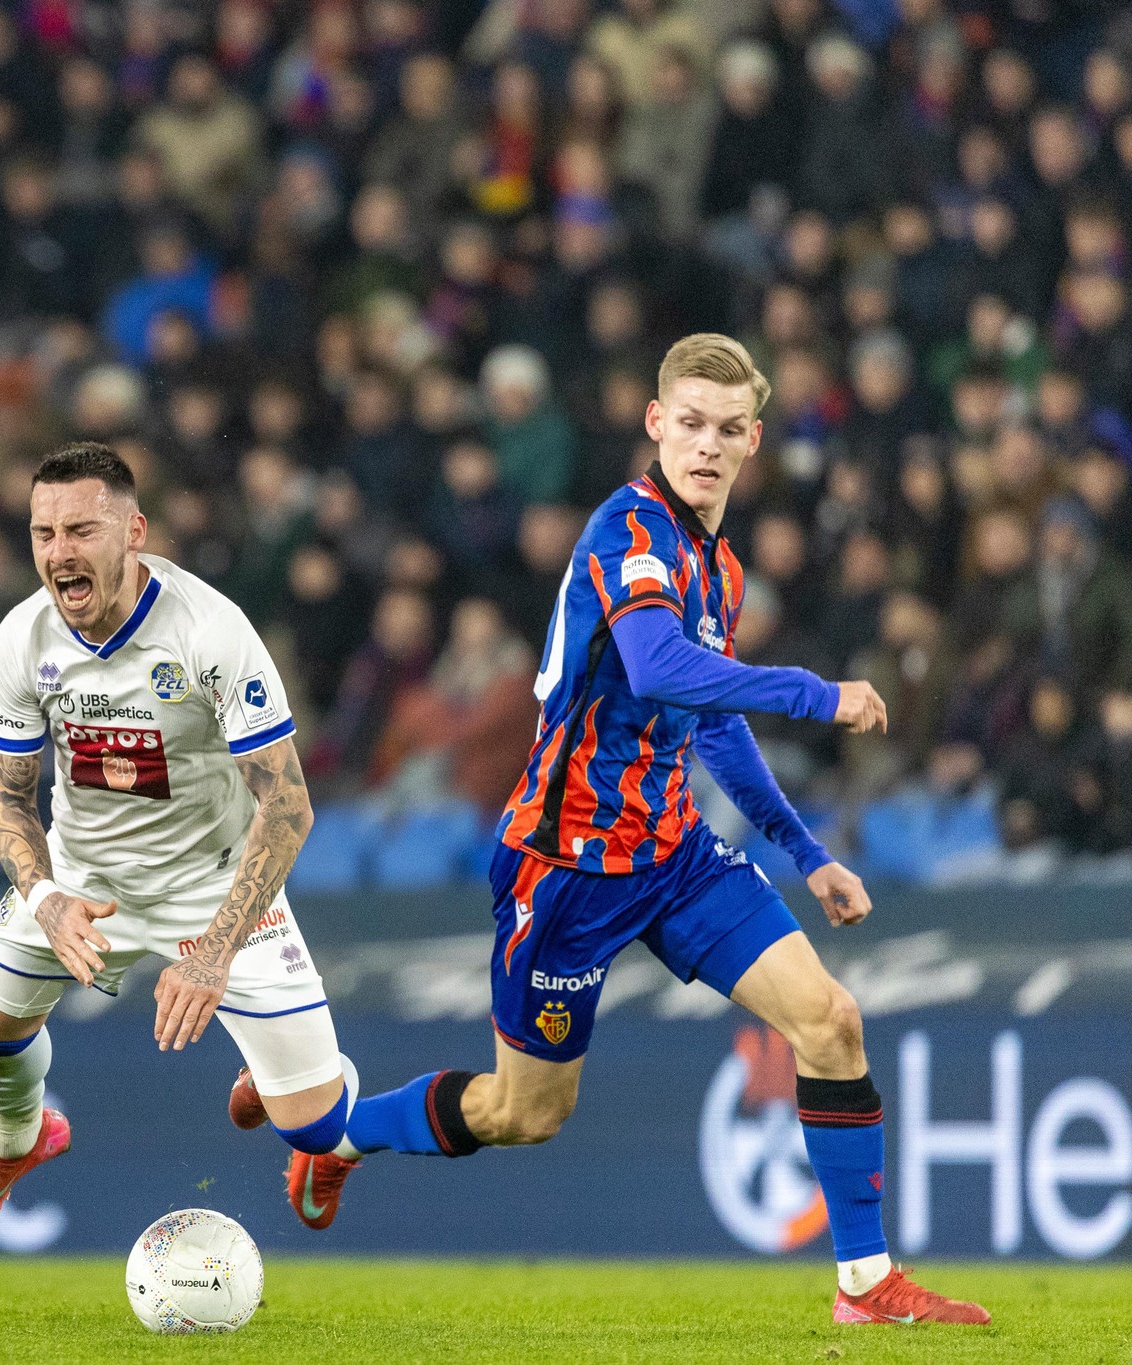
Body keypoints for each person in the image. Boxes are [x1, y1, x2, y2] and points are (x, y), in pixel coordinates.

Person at [281, 336, 991, 1326]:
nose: (704, 444)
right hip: (562, 865)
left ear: (752, 440)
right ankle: (342, 1135)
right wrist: (814, 693)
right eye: (686, 423)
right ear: (654, 423)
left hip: (671, 856)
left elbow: (706, 719)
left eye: (725, 428)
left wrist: (807, 853)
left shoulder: (719, 566)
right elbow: (657, 667)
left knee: (829, 1022)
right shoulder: (629, 533)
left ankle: (864, 1286)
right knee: (523, 1113)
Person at [0, 443, 353, 1235]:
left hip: (215, 882)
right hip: (84, 878)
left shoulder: (209, 630)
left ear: (134, 532)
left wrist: (215, 950)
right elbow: (10, 800)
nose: (59, 553)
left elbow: (289, 805)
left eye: (81, 530)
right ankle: (18, 1142)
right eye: (43, 533)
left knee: (317, 1125)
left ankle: (306, 1109)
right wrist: (48, 897)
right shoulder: (22, 637)